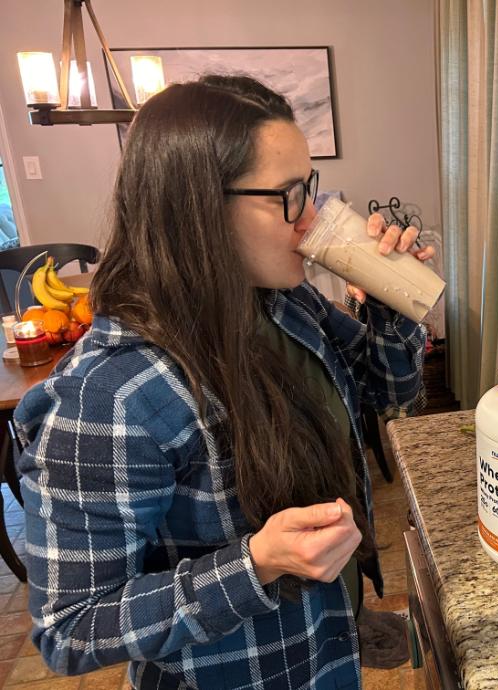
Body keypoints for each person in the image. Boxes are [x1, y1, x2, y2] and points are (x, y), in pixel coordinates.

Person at [13, 74, 434, 689]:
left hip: (321, 653)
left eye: (309, 187)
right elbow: (69, 629)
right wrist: (256, 564)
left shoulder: (281, 305)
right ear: (199, 208)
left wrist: (392, 299)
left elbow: (390, 393)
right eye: (289, 195)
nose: (311, 217)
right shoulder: (111, 396)